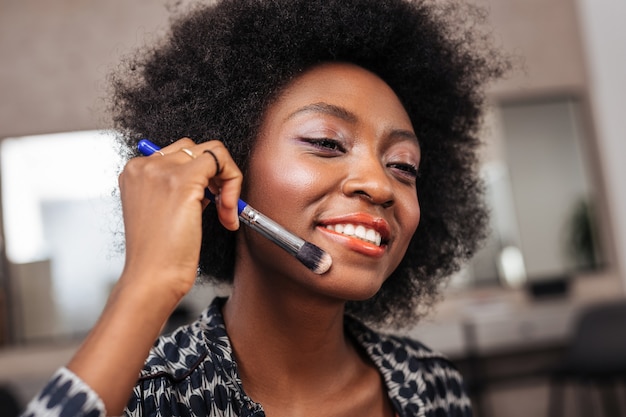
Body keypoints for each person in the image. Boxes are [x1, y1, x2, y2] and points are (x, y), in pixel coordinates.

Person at [21, 0, 508, 415]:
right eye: (326, 142)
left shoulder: (431, 387)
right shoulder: (146, 397)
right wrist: (147, 284)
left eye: (403, 166)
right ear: (226, 172)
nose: (380, 185)